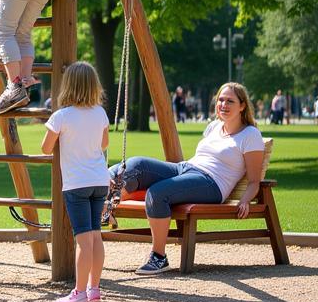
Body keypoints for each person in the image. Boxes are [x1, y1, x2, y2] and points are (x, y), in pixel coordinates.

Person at [109, 82, 265, 275]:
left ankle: (159, 257)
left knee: (157, 193)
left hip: (211, 183)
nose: (223, 104)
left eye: (230, 101)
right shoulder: (214, 127)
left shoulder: (250, 135)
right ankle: (103, 197)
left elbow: (254, 180)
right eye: (220, 100)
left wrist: (245, 200)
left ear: (242, 106)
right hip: (186, 168)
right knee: (136, 164)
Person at [41, 62, 110, 302]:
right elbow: (103, 144)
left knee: (83, 239)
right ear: (94, 86)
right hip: (99, 180)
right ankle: (94, 289)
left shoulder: (61, 116)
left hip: (76, 184)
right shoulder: (100, 113)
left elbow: (46, 148)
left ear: (67, 86)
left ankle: (79, 292)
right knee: (95, 235)